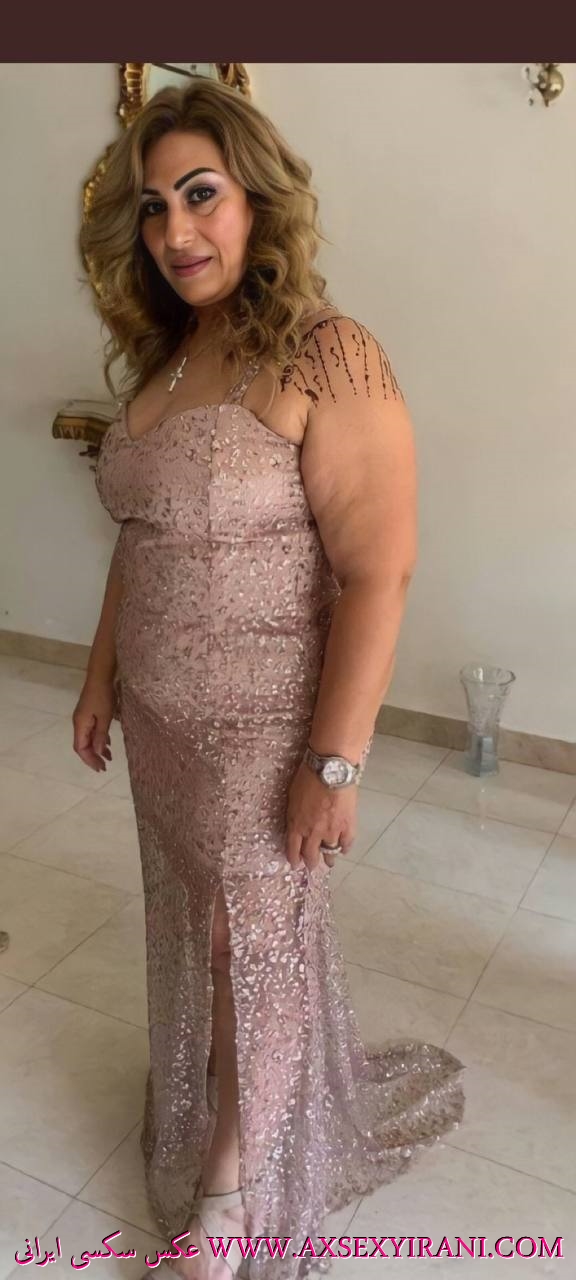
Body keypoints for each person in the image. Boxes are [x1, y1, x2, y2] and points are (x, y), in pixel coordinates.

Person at [75, 77, 465, 1280]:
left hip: (265, 730)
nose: (176, 230)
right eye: (154, 207)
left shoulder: (329, 353)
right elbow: (140, 542)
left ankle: (229, 1202)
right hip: (162, 727)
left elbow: (379, 572)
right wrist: (98, 678)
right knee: (202, 930)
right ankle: (229, 1095)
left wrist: (332, 761)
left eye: (202, 195)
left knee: (256, 945)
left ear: (259, 199)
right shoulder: (169, 353)